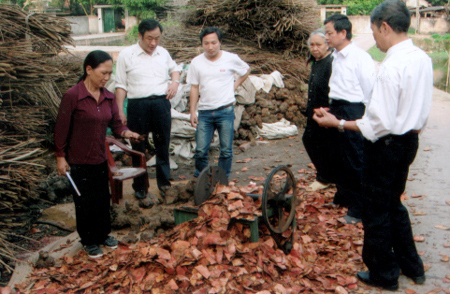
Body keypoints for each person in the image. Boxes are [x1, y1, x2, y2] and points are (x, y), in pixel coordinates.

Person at [314, 0, 432, 290]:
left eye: (375, 32)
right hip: (408, 141)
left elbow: (375, 124)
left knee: (376, 210)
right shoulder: (421, 58)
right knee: (393, 204)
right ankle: (411, 265)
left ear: (385, 27)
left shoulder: (391, 66)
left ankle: (383, 273)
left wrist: (337, 123)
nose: (375, 39)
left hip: (386, 145)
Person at [54, 50, 141, 258]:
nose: (107, 77)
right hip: (78, 160)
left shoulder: (108, 97)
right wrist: (60, 156)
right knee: (84, 201)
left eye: (110, 74)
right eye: (103, 73)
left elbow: (116, 126)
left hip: (100, 158)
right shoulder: (73, 96)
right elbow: (61, 129)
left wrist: (128, 133)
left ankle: (103, 235)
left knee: (102, 199)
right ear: (89, 69)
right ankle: (89, 240)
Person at [115, 19, 181, 199]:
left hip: (161, 104)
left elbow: (175, 69)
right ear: (140, 35)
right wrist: (120, 110)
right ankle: (140, 186)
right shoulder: (126, 55)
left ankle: (165, 185)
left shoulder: (163, 53)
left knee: (163, 145)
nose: (153, 43)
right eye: (149, 38)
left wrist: (175, 82)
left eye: (157, 38)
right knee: (139, 147)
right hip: (138, 106)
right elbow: (120, 85)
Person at [323, 14, 376, 223]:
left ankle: (358, 208)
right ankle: (343, 197)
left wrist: (364, 117)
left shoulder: (360, 57)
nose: (326, 37)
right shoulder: (336, 55)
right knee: (339, 157)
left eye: (329, 33)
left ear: (343, 33)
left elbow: (370, 91)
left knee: (355, 159)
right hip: (337, 108)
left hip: (353, 111)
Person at [187, 27, 250, 178]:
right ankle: (202, 179)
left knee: (226, 149)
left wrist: (234, 85)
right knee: (201, 149)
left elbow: (246, 70)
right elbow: (194, 87)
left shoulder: (230, 58)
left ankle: (223, 179)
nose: (210, 47)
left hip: (225, 111)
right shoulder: (196, 62)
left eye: (213, 42)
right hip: (205, 112)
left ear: (220, 42)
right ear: (202, 44)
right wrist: (192, 112)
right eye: (206, 43)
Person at [302, 28, 336, 191]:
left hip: (325, 112)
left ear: (327, 45)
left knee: (324, 144)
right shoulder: (316, 62)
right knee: (310, 140)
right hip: (313, 112)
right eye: (312, 45)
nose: (315, 48)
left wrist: (329, 111)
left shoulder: (331, 62)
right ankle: (326, 174)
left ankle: (325, 177)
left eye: (318, 45)